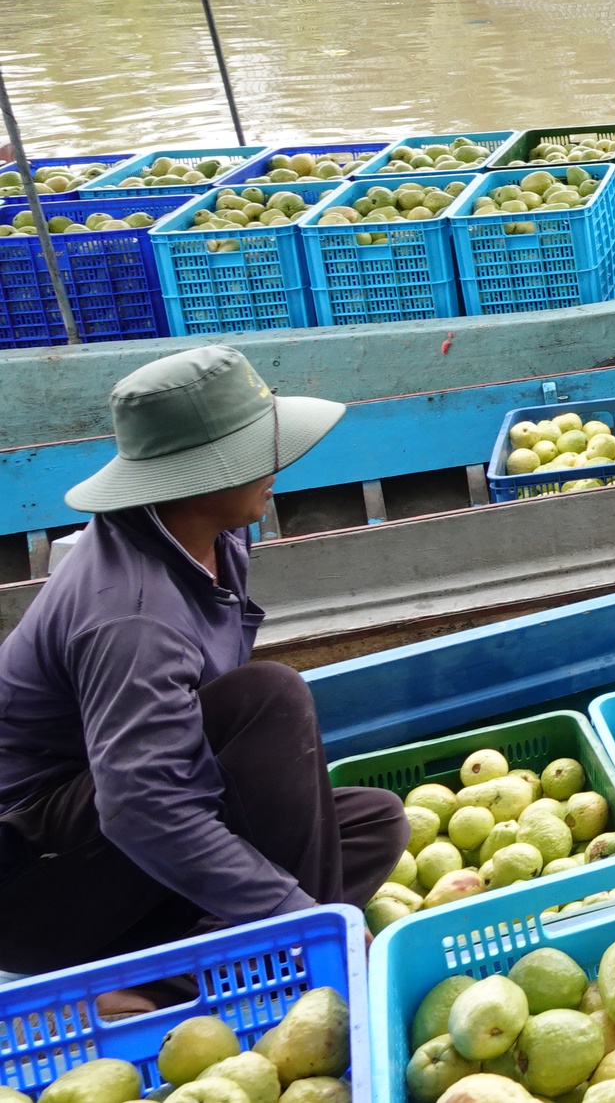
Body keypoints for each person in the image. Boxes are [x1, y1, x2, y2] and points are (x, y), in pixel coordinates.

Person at [0, 345, 408, 976]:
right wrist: (295, 913)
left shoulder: (216, 537)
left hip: (122, 847)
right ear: (201, 474)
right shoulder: (133, 617)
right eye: (256, 452)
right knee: (269, 698)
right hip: (40, 886)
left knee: (374, 822)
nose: (277, 466)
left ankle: (183, 973)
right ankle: (302, 955)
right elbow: (141, 808)